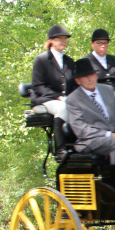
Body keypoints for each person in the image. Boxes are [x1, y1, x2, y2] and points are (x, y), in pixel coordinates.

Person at [66, 58, 115, 165]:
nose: (89, 79)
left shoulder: (108, 90)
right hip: (91, 140)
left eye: (91, 75)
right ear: (78, 81)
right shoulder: (73, 99)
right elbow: (81, 129)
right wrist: (110, 135)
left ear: (96, 75)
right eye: (84, 77)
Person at [30, 24, 77, 162]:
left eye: (65, 38)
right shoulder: (41, 60)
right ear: (51, 40)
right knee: (62, 107)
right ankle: (60, 149)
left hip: (66, 99)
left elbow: (73, 85)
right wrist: (58, 97)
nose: (63, 41)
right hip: (46, 99)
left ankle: (78, 145)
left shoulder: (69, 61)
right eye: (59, 38)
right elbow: (38, 86)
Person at [85, 29, 115, 101]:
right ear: (92, 44)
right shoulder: (86, 61)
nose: (103, 46)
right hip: (98, 97)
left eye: (105, 43)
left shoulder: (113, 60)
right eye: (99, 43)